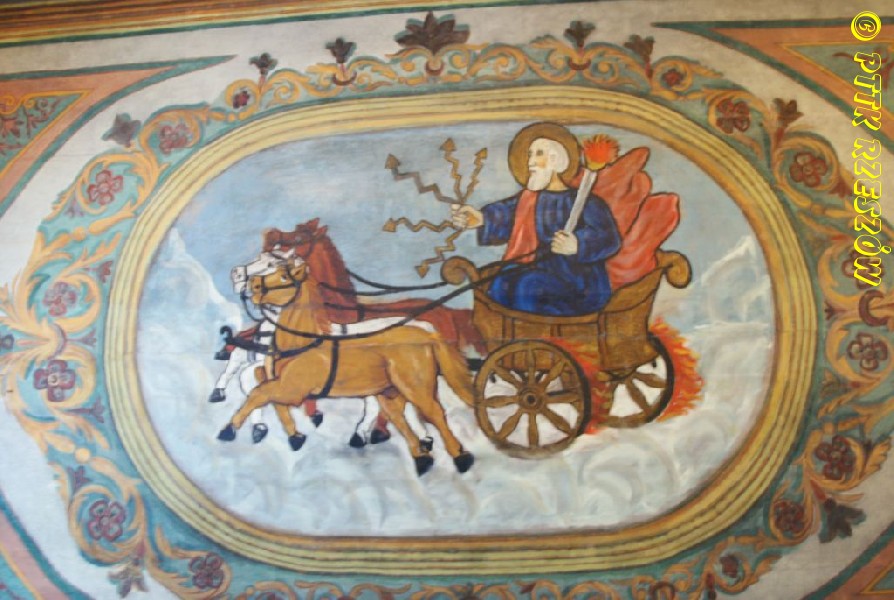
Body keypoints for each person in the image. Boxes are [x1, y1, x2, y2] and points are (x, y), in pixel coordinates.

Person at [451, 122, 621, 316]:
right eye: (530, 154)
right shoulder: (528, 199)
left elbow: (609, 238)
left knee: (528, 285)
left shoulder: (585, 202)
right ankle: (507, 330)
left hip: (578, 285)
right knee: (501, 281)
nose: (530, 161)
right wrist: (481, 218)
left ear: (556, 160)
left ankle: (530, 331)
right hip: (538, 271)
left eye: (538, 154)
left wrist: (577, 244)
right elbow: (506, 214)